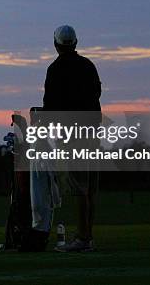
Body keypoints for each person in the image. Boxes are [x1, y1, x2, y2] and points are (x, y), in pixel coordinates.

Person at [43, 25, 101, 252]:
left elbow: (50, 106)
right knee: (89, 188)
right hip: (92, 132)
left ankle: (82, 239)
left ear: (56, 44)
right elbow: (96, 93)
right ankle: (87, 236)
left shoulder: (55, 69)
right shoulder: (88, 65)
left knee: (78, 187)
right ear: (76, 43)